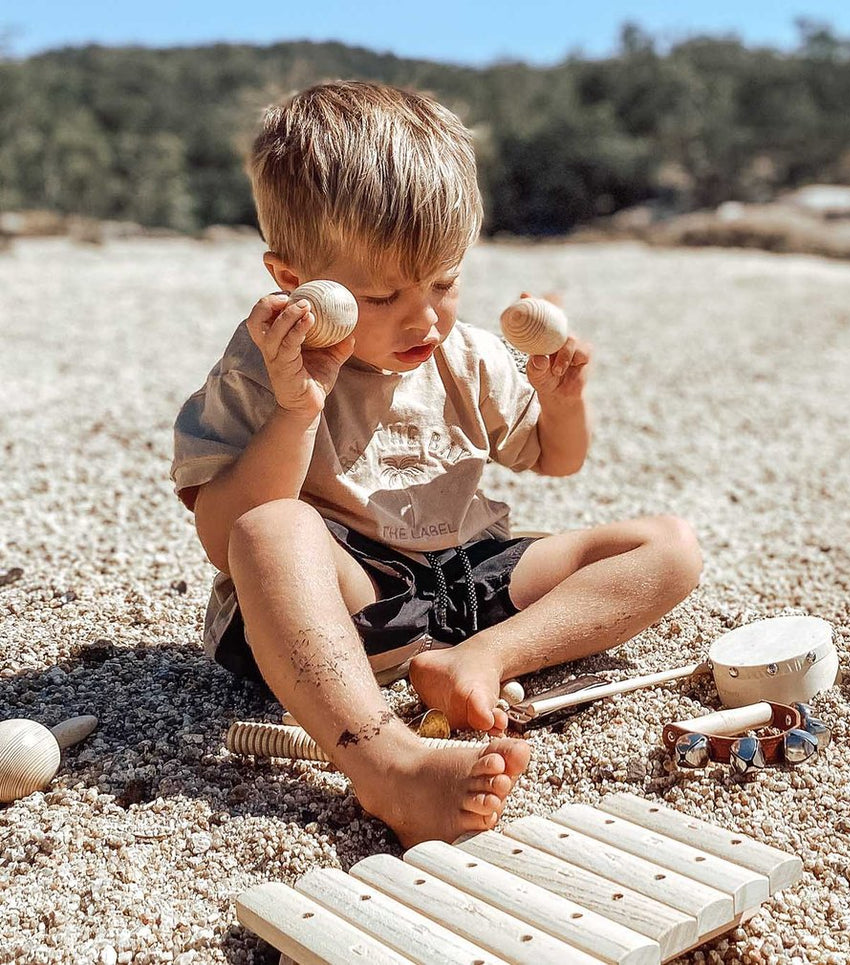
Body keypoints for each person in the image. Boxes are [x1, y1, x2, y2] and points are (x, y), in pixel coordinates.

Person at [170, 80, 702, 846]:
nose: (424, 316)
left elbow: (556, 461)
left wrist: (561, 399)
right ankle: (388, 763)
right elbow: (229, 537)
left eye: (445, 281)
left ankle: (479, 660)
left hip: (468, 576)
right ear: (295, 281)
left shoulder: (471, 355)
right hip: (351, 602)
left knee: (669, 546)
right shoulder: (266, 364)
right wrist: (298, 409)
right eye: (382, 294)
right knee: (276, 528)